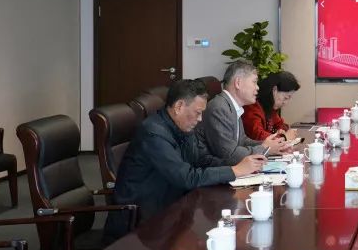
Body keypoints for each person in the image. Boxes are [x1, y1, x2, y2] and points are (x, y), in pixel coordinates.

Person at [104, 78, 265, 240]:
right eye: (198, 112)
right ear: (179, 106)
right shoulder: (153, 134)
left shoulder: (182, 127)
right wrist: (234, 171)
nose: (200, 119)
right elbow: (186, 177)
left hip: (170, 212)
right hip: (141, 224)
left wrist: (239, 167)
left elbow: (202, 160)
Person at [198, 60, 292, 163]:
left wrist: (272, 146)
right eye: (254, 82)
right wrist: (265, 148)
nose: (257, 87)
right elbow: (229, 155)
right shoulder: (220, 108)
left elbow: (242, 141)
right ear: (238, 83)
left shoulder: (232, 106)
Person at [242, 71, 300, 140]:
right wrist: (284, 137)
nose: (286, 103)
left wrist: (280, 131)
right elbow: (257, 136)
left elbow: (280, 124)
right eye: (286, 98)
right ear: (274, 90)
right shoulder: (252, 106)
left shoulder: (269, 106)